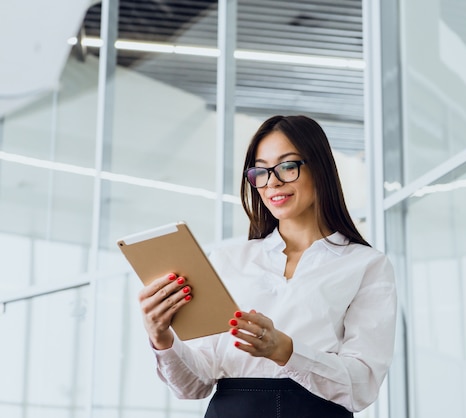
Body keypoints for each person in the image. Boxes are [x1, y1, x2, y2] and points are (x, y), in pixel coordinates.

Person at [138, 115, 397, 417]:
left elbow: (361, 385)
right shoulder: (229, 259)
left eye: (287, 166)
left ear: (320, 168)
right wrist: (162, 338)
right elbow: (194, 386)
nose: (272, 181)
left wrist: (284, 350)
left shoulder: (366, 265)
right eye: (260, 171)